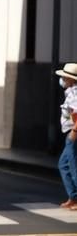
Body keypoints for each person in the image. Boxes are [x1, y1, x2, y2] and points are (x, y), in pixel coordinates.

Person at [55, 63, 77, 210]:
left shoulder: (75, 93)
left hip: (74, 135)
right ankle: (73, 197)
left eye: (64, 77)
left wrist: (74, 132)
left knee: (74, 167)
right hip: (70, 134)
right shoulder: (70, 92)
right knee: (63, 165)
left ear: (70, 79)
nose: (62, 79)